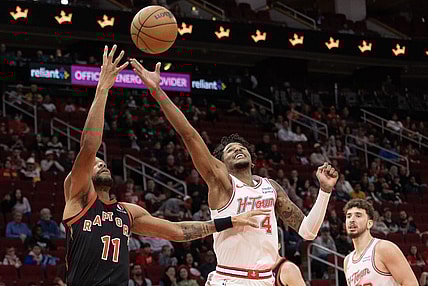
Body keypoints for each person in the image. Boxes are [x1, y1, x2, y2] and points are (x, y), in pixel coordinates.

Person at [62, 45, 269, 286]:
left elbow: (178, 232)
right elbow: (89, 147)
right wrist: (102, 89)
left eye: (103, 162)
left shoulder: (127, 213)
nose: (101, 164)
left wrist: (230, 221)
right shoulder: (78, 197)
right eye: (96, 165)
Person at [130, 58, 339, 286]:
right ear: (221, 163)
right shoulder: (222, 182)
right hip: (229, 279)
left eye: (241, 147)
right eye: (230, 150)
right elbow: (189, 135)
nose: (238, 149)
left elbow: (308, 232)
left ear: (252, 158)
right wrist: (157, 91)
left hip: (265, 281)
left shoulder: (271, 188)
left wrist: (325, 191)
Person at [343, 199, 418, 286]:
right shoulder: (347, 261)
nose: (352, 220)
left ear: (369, 224)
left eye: (358, 216)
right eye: (348, 216)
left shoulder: (383, 248)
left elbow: (411, 283)